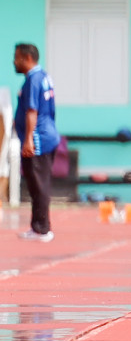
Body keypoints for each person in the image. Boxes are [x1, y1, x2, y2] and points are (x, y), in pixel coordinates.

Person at [12, 44, 59, 243]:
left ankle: (43, 229)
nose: (14, 62)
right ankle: (37, 226)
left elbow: (33, 111)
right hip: (47, 135)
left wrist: (29, 138)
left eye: (17, 58)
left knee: (39, 184)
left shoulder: (33, 79)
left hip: (38, 139)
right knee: (35, 184)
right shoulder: (43, 76)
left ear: (27, 58)